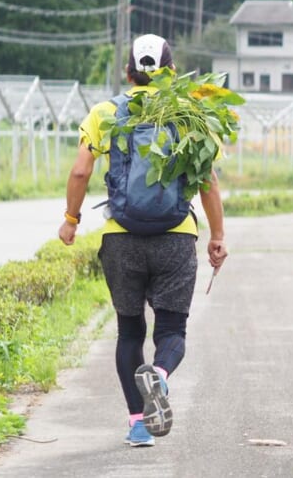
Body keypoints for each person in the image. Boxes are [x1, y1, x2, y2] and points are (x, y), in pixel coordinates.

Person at [57, 34, 228, 448]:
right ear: (171, 71)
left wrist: (70, 219)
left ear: (128, 72)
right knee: (172, 330)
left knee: (129, 332)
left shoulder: (105, 113)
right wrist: (217, 236)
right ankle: (162, 376)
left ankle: (138, 424)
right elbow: (207, 181)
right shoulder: (189, 114)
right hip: (175, 238)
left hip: (122, 239)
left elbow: (80, 172)